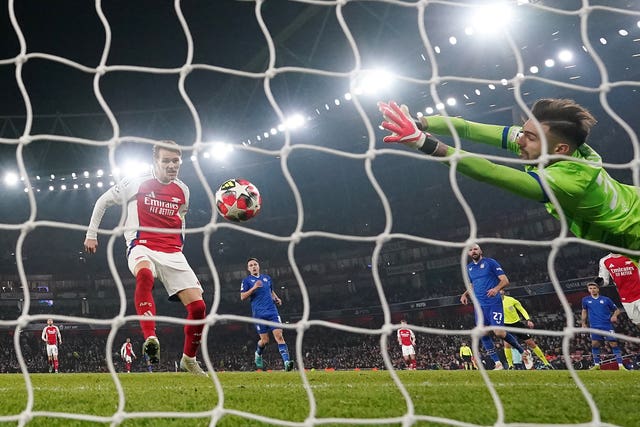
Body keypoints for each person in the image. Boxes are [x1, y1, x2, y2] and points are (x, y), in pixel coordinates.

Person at [378, 99, 640, 252]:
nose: (520, 140)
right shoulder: (549, 147)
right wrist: (421, 123)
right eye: (523, 132)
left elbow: (490, 172)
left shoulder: (568, 180)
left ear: (560, 149)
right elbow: (468, 128)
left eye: (530, 137)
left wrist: (424, 143)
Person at [84, 140, 208, 377]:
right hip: (141, 246)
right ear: (156, 161)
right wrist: (92, 234)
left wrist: (179, 245)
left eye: (176, 161)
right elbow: (103, 201)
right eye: (166, 161)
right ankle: (151, 337)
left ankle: (189, 360)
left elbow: (181, 218)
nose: (172, 165)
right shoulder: (136, 182)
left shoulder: (183, 190)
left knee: (199, 308)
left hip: (172, 252)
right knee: (144, 274)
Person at [460, 244, 531, 370]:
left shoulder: (491, 263)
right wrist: (465, 294)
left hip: (493, 303)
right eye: (470, 250)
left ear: (480, 251)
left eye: (475, 249)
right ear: (468, 254)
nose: (473, 251)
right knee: (481, 333)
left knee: (499, 332)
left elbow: (505, 280)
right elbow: (473, 284)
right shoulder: (469, 268)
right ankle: (497, 363)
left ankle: (523, 352)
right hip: (480, 306)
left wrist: (496, 289)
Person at [240, 257, 294, 371]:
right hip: (259, 315)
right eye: (251, 265)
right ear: (248, 269)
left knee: (279, 336)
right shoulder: (247, 281)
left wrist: (276, 298)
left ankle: (287, 363)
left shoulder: (267, 278)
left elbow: (271, 291)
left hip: (272, 312)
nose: (253, 266)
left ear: (259, 266)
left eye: (255, 264)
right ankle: (258, 354)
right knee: (265, 341)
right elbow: (243, 296)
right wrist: (254, 288)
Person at [500, 290, 553, 370]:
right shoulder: (494, 303)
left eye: (501, 290)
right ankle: (510, 366)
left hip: (517, 324)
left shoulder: (511, 300)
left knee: (531, 343)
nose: (500, 291)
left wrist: (528, 319)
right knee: (507, 344)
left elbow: (522, 309)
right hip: (506, 325)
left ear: (503, 291)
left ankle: (546, 363)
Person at [581, 282, 627, 370]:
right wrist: (583, 323)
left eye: (594, 288)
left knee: (613, 344)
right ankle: (597, 365)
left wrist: (614, 315)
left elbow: (617, 310)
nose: (592, 290)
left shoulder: (606, 299)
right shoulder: (585, 300)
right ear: (588, 290)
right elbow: (584, 311)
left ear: (598, 289)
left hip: (607, 325)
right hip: (594, 326)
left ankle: (620, 365)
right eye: (590, 288)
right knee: (594, 344)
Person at [597, 252, 640, 327]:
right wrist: (598, 282)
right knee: (637, 322)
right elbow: (605, 281)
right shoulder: (604, 261)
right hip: (625, 298)